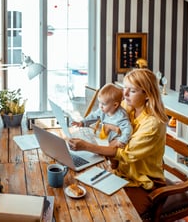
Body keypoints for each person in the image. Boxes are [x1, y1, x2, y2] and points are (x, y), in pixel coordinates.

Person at [68, 69, 169, 215]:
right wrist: (109, 132)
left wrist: (86, 146)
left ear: (147, 94)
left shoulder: (153, 124)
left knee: (113, 213)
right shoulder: (128, 106)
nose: (124, 94)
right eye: (125, 88)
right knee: (89, 196)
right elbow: (110, 130)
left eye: (132, 91)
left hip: (145, 183)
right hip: (121, 172)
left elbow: (123, 153)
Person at [72, 83, 132, 147]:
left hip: (118, 138)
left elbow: (128, 129)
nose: (100, 106)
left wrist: (122, 141)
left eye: (103, 104)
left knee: (105, 148)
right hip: (109, 136)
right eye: (99, 102)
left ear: (115, 105)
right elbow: (93, 116)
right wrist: (82, 122)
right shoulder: (102, 110)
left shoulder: (121, 116)